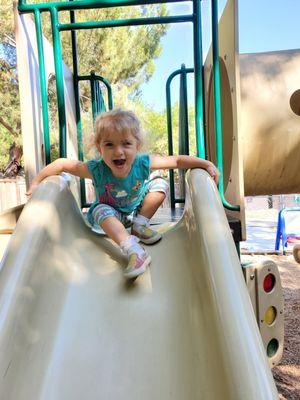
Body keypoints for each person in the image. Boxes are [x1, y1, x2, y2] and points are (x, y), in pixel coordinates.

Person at [26, 109, 219, 279]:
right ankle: (134, 250)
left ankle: (140, 225)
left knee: (159, 183)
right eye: (109, 144)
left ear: (137, 145)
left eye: (126, 143)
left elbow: (176, 161)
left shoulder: (142, 163)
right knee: (98, 209)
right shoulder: (96, 169)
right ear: (99, 146)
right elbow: (62, 164)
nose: (118, 151)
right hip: (113, 217)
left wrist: (205, 164)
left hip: (136, 211)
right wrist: (35, 183)